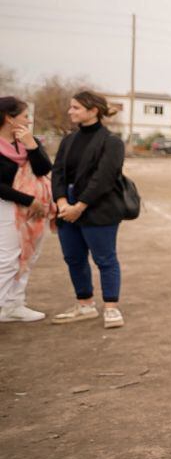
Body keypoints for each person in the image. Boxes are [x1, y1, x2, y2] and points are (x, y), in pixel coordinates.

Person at [50, 91, 127, 328]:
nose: (70, 111)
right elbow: (58, 172)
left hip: (99, 207)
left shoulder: (111, 141)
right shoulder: (68, 140)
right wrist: (62, 202)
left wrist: (80, 206)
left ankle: (111, 308)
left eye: (76, 108)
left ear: (93, 111)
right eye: (71, 107)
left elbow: (104, 178)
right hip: (67, 206)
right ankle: (85, 304)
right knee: (73, 258)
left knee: (105, 258)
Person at [0, 96, 54, 322]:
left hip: (33, 207)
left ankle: (14, 305)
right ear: (9, 118)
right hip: (6, 205)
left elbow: (43, 169)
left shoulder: (28, 141)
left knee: (28, 255)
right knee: (7, 259)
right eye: (25, 116)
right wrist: (29, 200)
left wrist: (32, 146)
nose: (29, 120)